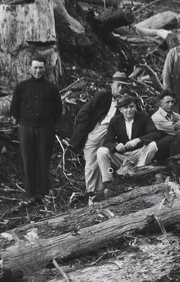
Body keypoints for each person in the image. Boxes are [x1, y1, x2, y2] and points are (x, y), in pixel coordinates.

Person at [71, 71, 132, 198]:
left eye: (123, 86)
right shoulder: (102, 96)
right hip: (96, 132)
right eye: (117, 85)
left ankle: (105, 190)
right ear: (111, 85)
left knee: (105, 159)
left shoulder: (125, 101)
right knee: (91, 163)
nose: (120, 89)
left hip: (110, 135)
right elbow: (83, 114)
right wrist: (89, 129)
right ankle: (92, 193)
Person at [11, 57, 62, 203]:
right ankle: (31, 195)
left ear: (45, 69)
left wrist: (49, 124)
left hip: (45, 129)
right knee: (29, 161)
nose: (38, 71)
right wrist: (22, 122)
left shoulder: (51, 88)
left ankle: (44, 193)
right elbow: (14, 108)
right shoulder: (21, 87)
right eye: (35, 68)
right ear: (29, 68)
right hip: (26, 129)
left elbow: (58, 109)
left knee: (44, 160)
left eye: (40, 68)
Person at [96, 95, 161, 190]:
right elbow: (107, 141)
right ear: (121, 110)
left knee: (152, 145)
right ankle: (108, 182)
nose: (129, 110)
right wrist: (116, 145)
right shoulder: (115, 120)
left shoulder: (143, 117)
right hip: (122, 157)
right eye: (125, 108)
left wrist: (138, 140)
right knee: (101, 151)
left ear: (135, 107)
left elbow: (155, 133)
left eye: (131, 106)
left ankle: (138, 174)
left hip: (139, 154)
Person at [151, 92, 180, 164]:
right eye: (167, 102)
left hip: (171, 145)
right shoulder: (157, 117)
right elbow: (176, 130)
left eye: (172, 102)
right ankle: (173, 160)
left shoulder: (173, 114)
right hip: (159, 149)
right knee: (176, 136)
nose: (171, 104)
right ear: (160, 103)